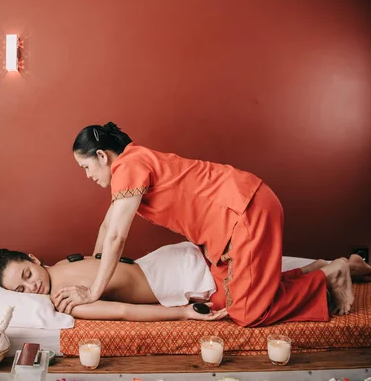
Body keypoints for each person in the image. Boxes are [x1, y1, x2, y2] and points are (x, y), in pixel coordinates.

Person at [55, 121, 357, 327]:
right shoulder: (131, 165)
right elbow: (108, 228)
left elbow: (117, 237)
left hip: (243, 211)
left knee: (247, 313)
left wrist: (94, 291)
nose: (87, 175)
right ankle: (316, 269)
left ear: (101, 156)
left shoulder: (128, 165)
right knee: (220, 299)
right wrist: (95, 269)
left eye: (86, 167)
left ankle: (330, 276)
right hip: (227, 228)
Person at [0, 243, 371, 323]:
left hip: (174, 276)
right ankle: (331, 266)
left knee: (251, 305)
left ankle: (325, 274)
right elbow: (120, 302)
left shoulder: (63, 294)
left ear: (34, 259)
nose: (31, 288)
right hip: (167, 260)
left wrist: (184, 314)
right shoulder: (63, 268)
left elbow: (122, 311)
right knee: (253, 276)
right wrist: (185, 313)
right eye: (20, 291)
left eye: (26, 275)